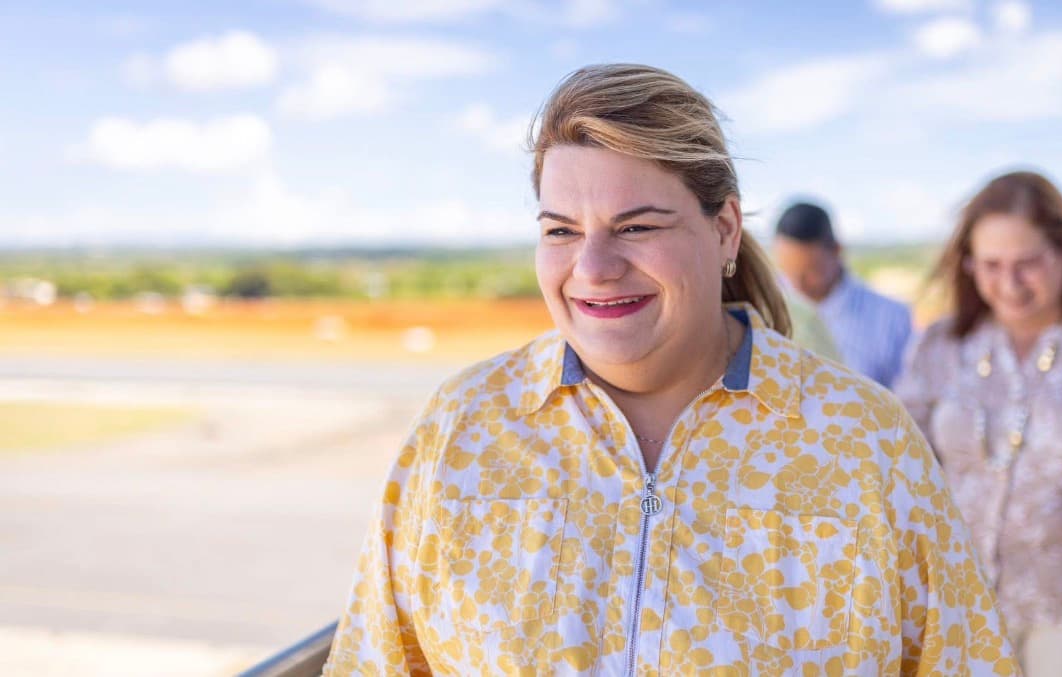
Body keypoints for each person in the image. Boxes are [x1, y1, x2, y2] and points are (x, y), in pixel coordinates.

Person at [323, 64, 1015, 676]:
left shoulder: (865, 444)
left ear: (724, 230)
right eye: (561, 229)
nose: (592, 268)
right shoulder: (461, 432)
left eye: (636, 226)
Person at [894, 170, 1062, 677]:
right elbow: (899, 460)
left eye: (1028, 264)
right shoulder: (942, 346)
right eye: (992, 266)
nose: (1009, 284)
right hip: (963, 604)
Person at [772, 201, 912, 388]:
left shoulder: (892, 319)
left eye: (811, 272)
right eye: (789, 271)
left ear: (837, 250)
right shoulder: (763, 310)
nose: (798, 285)